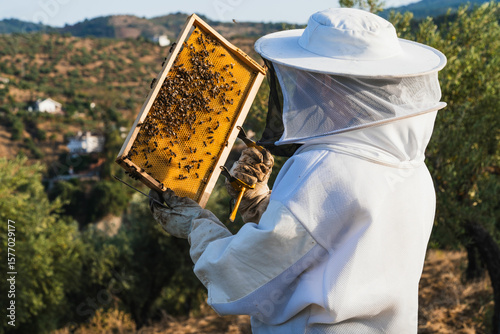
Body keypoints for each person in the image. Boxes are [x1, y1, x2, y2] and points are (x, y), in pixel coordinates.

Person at [149, 7, 447, 333]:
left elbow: (243, 277)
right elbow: (325, 244)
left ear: (327, 81)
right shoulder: (415, 172)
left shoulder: (323, 169)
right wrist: (260, 204)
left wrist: (197, 226)